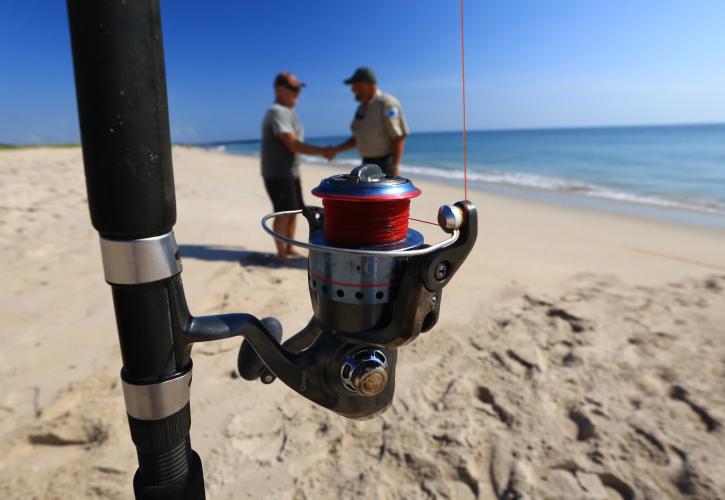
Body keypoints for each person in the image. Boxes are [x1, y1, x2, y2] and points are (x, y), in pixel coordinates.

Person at [261, 72, 334, 262]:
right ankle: (281, 254)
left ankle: (290, 247)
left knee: (295, 210)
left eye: (298, 89)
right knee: (283, 211)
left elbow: (294, 146)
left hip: (292, 171)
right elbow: (292, 144)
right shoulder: (276, 111)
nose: (297, 93)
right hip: (277, 173)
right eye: (293, 88)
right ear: (279, 89)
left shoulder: (289, 113)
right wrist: (323, 151)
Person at [330, 67, 409, 176]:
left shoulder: (386, 103)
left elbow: (398, 137)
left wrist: (394, 168)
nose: (352, 89)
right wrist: (335, 150)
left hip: (385, 165)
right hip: (366, 163)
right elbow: (356, 139)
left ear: (367, 84)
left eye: (355, 85)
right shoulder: (361, 108)